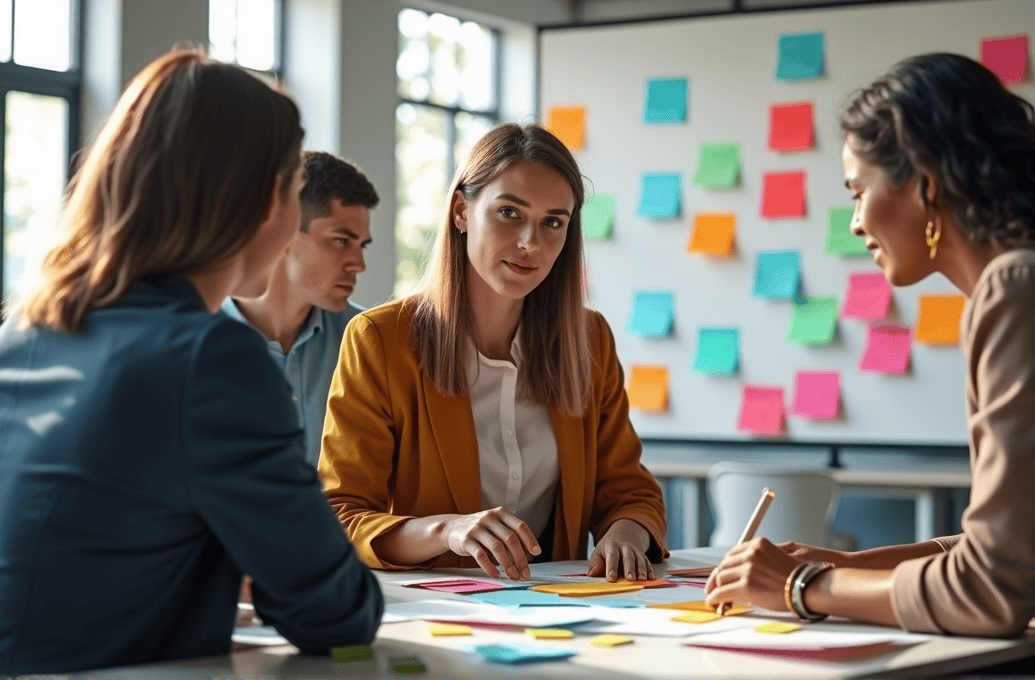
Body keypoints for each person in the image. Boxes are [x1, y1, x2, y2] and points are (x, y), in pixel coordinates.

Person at [704, 52, 1035, 675]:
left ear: (925, 183)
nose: (856, 223)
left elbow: (994, 589)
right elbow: (1014, 548)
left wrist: (800, 585)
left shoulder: (1026, 291)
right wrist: (851, 568)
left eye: (859, 191)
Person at [0, 50, 383, 675]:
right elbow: (336, 615)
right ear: (261, 202)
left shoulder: (29, 327)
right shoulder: (211, 356)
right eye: (292, 189)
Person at [320, 122, 668, 582]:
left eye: (553, 223)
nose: (531, 243)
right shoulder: (380, 340)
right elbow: (337, 518)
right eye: (509, 213)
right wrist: (446, 530)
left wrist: (627, 533)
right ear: (462, 211)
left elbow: (629, 491)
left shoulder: (589, 340)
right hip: (430, 613)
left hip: (558, 612)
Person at [222, 150, 378, 465]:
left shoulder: (367, 342)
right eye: (341, 241)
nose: (358, 264)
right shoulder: (193, 336)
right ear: (286, 231)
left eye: (361, 245)